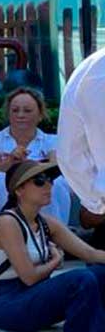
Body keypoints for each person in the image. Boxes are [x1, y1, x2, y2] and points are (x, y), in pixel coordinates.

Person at [0, 160, 105, 332]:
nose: (48, 186)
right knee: (81, 279)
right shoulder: (7, 223)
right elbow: (29, 276)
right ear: (19, 190)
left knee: (100, 273)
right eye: (39, 181)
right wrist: (55, 261)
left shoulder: (47, 223)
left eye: (50, 180)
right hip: (7, 303)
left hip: (32, 297)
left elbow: (90, 253)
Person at [0, 87, 71, 224]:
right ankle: (4, 227)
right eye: (15, 110)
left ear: (40, 115)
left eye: (27, 111)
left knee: (57, 183)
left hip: (41, 185)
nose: (20, 115)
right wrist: (10, 162)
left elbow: (57, 167)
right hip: (10, 187)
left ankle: (55, 230)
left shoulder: (52, 140)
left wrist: (27, 167)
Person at [55, 47, 105, 244]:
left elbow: (70, 156)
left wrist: (96, 203)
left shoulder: (93, 71)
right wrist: (96, 203)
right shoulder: (96, 73)